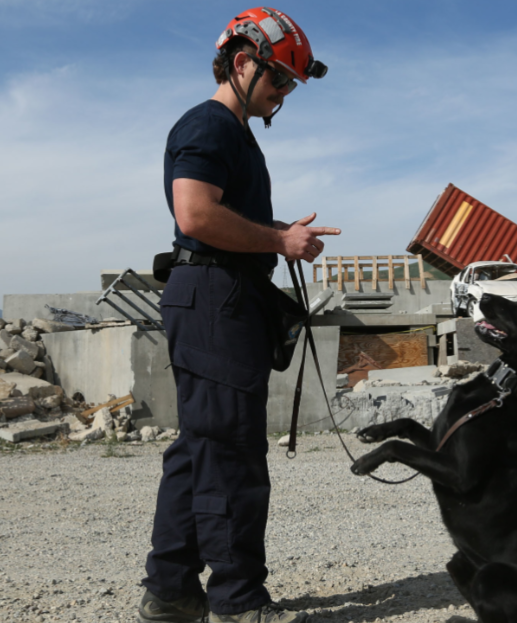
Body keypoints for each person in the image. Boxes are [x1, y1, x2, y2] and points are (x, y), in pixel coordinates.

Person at [138, 9, 335, 623]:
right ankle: (238, 601)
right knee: (231, 453)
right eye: (280, 78)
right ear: (243, 61)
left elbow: (219, 223)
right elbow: (195, 216)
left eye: (291, 85)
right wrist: (280, 244)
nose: (283, 93)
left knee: (201, 447)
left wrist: (276, 232)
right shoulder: (209, 124)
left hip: (219, 296)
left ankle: (171, 591)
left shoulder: (232, 132)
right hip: (215, 300)